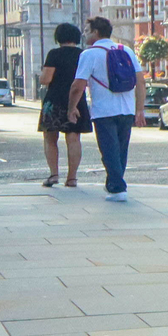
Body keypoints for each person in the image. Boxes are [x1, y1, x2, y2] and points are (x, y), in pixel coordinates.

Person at [69, 16, 140, 202]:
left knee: (109, 150)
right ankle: (113, 185)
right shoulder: (126, 50)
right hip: (127, 108)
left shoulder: (89, 54)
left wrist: (72, 108)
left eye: (86, 31)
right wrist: (139, 109)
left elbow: (78, 85)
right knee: (120, 151)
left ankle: (118, 189)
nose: (84, 34)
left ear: (96, 33)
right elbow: (140, 81)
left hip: (104, 110)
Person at [37, 22, 90, 188]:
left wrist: (41, 75)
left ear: (58, 37)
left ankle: (53, 174)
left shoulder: (54, 54)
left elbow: (46, 79)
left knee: (50, 137)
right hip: (76, 99)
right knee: (74, 138)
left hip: (54, 100)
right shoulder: (82, 54)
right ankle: (72, 178)